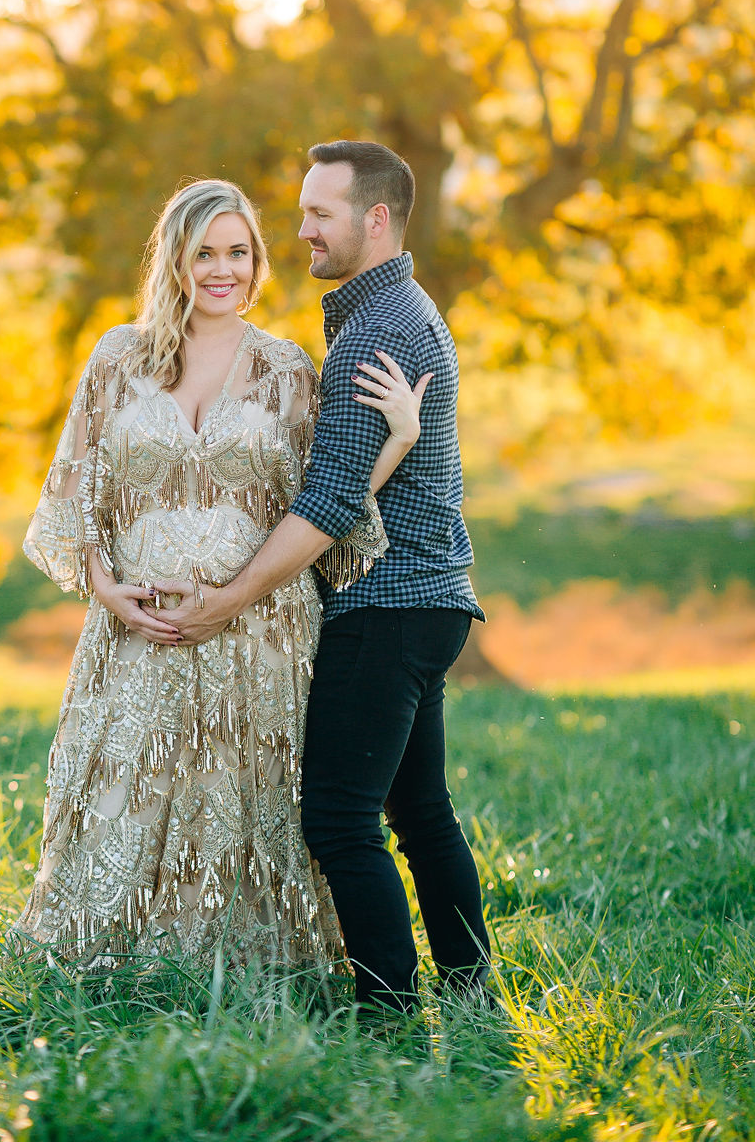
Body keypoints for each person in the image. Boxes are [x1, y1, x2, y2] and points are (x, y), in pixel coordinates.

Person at [12, 178, 430, 970]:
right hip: (138, 634)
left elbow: (328, 500)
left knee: (247, 807)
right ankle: (116, 973)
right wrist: (108, 593)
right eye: (205, 252)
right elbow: (78, 492)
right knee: (123, 801)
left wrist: (397, 444)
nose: (223, 270)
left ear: (257, 263)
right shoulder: (118, 357)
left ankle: (252, 978)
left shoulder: (287, 369)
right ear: (174, 260)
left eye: (238, 253)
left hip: (262, 636)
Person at [158, 142, 491, 1012]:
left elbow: (328, 503)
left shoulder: (375, 335)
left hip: (387, 603)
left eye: (319, 214)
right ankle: (469, 992)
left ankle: (388, 1013)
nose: (299, 229)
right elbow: (356, 477)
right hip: (430, 597)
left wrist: (227, 600)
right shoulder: (388, 313)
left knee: (340, 820)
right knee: (421, 814)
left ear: (374, 220)